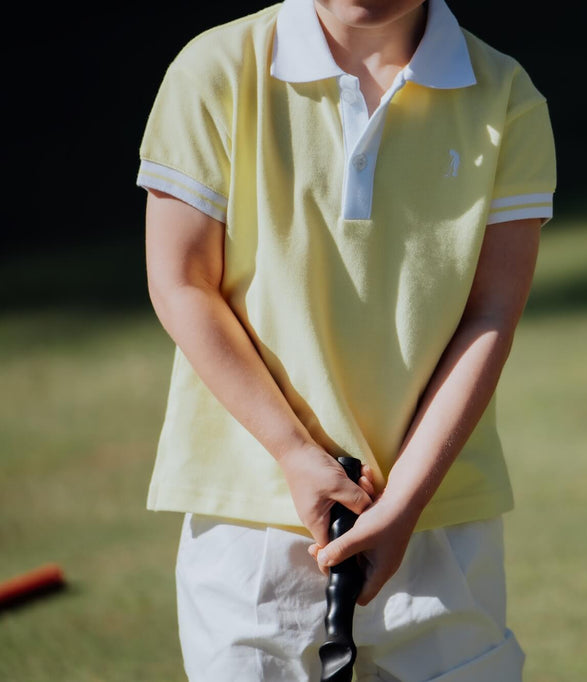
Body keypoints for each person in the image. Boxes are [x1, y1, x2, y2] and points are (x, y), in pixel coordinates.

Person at [136, 0, 556, 679]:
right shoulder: (215, 68)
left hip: (439, 514)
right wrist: (294, 453)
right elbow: (181, 282)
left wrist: (406, 500)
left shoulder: (505, 95)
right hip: (252, 514)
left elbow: (491, 313)